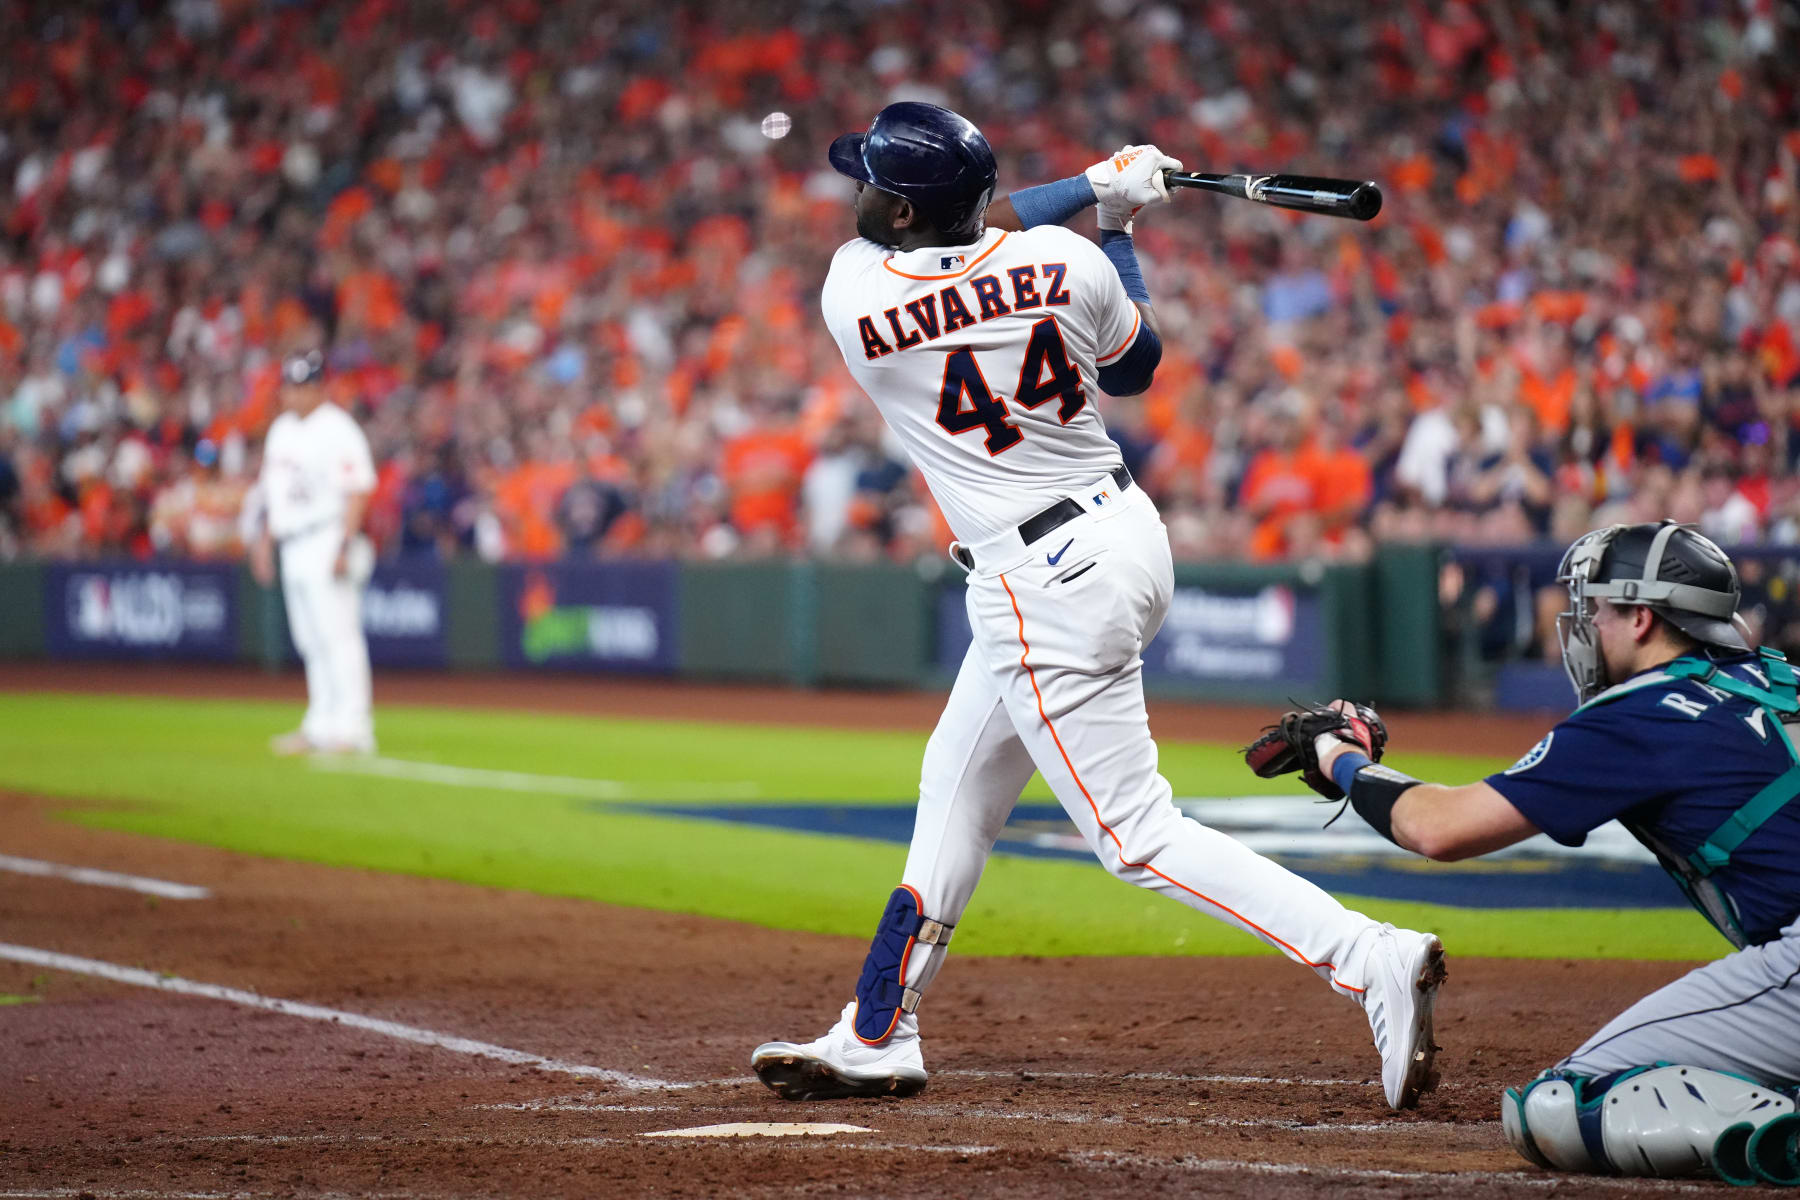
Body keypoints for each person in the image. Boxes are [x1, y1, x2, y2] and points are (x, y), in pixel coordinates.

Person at [750, 101, 1447, 1112]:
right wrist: (1114, 229)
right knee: (954, 787)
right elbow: (1133, 367)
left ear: (903, 214)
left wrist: (1094, 190)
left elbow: (989, 241)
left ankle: (1368, 955)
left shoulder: (853, 294)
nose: (857, 192)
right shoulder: (1065, 264)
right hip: (1123, 535)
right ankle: (877, 1030)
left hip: (1040, 583)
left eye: (873, 184)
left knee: (1135, 836)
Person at [1286, 520, 1800, 1184]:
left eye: (1599, 609)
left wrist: (1340, 757)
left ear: (1642, 618)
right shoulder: (1781, 677)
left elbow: (1436, 827)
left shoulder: (1641, 714)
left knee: (1561, 1105)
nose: (1587, 626)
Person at [242, 350, 378, 756]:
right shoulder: (281, 429)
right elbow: (274, 493)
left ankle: (354, 728)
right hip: (292, 541)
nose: (294, 394)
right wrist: (265, 541)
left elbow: (358, 490)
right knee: (311, 640)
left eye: (303, 386)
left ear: (320, 387)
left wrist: (344, 543)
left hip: (326, 535)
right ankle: (321, 724)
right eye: (290, 386)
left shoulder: (338, 428)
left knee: (339, 637)